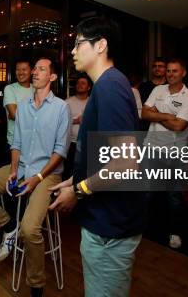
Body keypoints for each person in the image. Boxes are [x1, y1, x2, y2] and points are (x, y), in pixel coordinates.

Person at [49, 17, 145, 297]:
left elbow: (125, 163)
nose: (73, 51)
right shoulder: (108, 86)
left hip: (111, 224)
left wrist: (78, 191)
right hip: (106, 218)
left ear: (101, 45)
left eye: (78, 44)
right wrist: (73, 180)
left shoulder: (110, 86)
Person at [0, 58, 70, 297]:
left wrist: (37, 178)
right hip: (20, 168)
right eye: (35, 68)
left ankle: (36, 286)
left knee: (31, 230)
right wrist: (12, 170)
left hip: (47, 175)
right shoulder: (24, 106)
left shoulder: (61, 107)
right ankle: (9, 225)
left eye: (41, 69)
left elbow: (61, 151)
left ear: (52, 77)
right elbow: (17, 143)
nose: (34, 72)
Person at [141, 58, 188, 249]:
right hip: (151, 149)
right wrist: (167, 116)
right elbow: (144, 114)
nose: (171, 74)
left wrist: (156, 114)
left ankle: (175, 232)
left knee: (173, 196)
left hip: (174, 153)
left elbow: (180, 126)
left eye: (175, 71)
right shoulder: (158, 90)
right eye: (169, 71)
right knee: (147, 192)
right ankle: (143, 226)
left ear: (183, 73)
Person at [3, 59, 33, 154]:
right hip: (16, 143)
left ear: (31, 71)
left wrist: (19, 112)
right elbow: (14, 115)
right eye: (17, 70)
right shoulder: (10, 89)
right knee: (15, 169)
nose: (20, 73)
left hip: (35, 142)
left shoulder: (36, 89)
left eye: (24, 69)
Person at [65, 74, 92, 179]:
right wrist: (76, 120)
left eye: (83, 83)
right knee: (70, 172)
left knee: (86, 172)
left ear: (89, 87)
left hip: (88, 143)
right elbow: (61, 122)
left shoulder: (92, 102)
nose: (79, 85)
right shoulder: (67, 102)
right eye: (78, 83)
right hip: (72, 144)